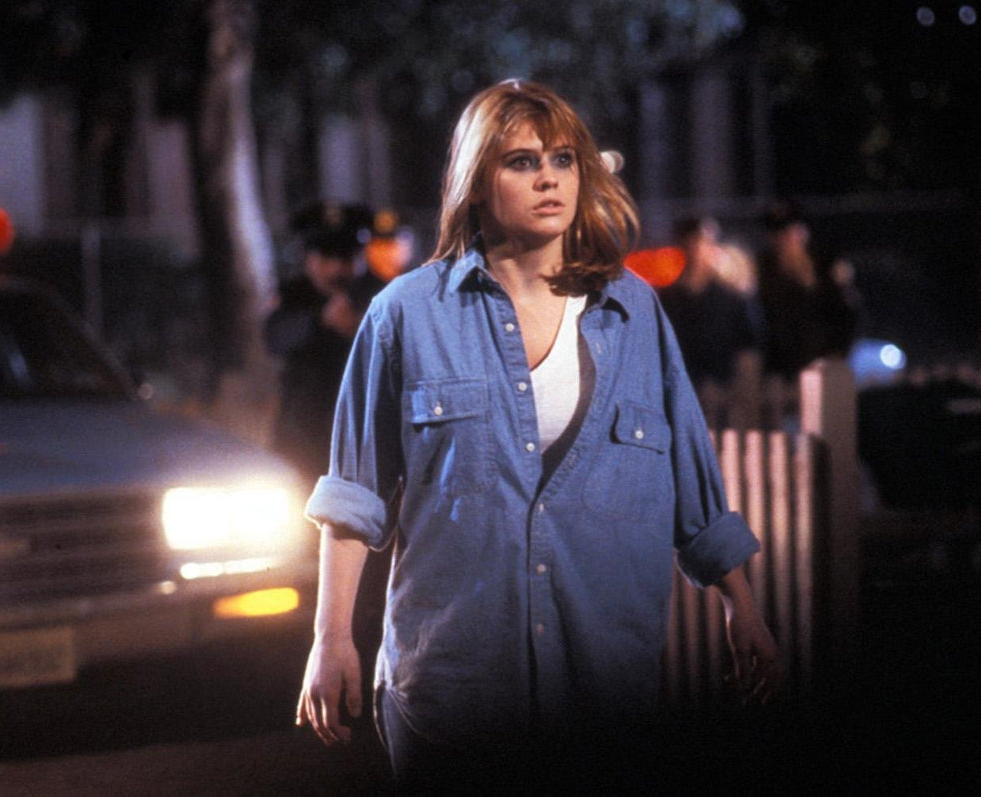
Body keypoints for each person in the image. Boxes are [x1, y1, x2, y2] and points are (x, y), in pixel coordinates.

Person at [295, 79, 783, 790]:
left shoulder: (633, 310)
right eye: (521, 161)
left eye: (562, 159)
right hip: (457, 691)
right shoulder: (406, 314)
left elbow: (689, 473)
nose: (548, 178)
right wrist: (330, 637)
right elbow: (353, 494)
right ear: (476, 181)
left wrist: (743, 605)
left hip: (607, 684)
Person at [263, 200, 382, 485]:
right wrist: (319, 321)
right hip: (302, 438)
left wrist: (361, 328)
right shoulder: (293, 293)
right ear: (309, 258)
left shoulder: (381, 294)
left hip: (365, 441)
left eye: (346, 257)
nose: (337, 269)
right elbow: (275, 338)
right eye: (326, 257)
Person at [659, 215, 763, 428]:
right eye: (693, 242)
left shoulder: (731, 298)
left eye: (705, 243)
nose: (699, 250)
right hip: (681, 399)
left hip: (724, 398)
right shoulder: (667, 300)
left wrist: (742, 395)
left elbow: (748, 349)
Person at [758, 200, 859, 383]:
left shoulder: (825, 268)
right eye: (779, 235)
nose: (786, 241)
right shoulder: (764, 273)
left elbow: (848, 315)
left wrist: (838, 353)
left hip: (825, 366)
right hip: (782, 372)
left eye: (791, 232)